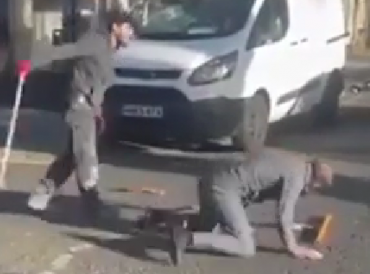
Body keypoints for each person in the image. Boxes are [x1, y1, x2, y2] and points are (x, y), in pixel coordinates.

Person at [25, 9, 134, 218]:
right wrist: (30, 63)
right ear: (115, 27)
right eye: (128, 28)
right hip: (78, 107)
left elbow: (97, 82)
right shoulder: (95, 42)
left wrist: (98, 108)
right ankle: (93, 206)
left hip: (88, 109)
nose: (132, 34)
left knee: (71, 156)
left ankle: (40, 194)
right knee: (85, 155)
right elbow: (65, 51)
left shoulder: (109, 49)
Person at [167, 149, 333, 265]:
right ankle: (185, 239)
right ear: (316, 182)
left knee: (208, 227)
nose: (309, 192)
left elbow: (254, 179)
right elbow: (284, 215)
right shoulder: (298, 176)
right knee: (246, 246)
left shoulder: (294, 160)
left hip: (212, 176)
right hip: (223, 188)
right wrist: (294, 247)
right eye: (314, 189)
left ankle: (166, 221)